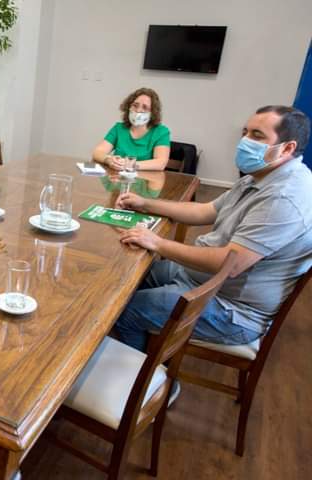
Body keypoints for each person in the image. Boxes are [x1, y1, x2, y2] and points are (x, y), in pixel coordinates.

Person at [113, 105, 312, 352]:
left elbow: (230, 264)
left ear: (287, 148)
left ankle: (141, 372)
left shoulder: (285, 197)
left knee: (123, 311)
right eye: (245, 132)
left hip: (231, 308)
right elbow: (205, 211)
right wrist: (144, 203)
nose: (245, 141)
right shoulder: (259, 176)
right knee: (126, 279)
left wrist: (157, 243)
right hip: (199, 277)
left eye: (257, 135)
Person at [92, 87, 171, 171]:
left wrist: (130, 165)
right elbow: (97, 152)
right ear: (129, 107)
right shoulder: (119, 128)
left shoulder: (161, 132)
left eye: (145, 107)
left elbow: (160, 163)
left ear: (152, 113)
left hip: (145, 178)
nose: (138, 110)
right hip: (116, 177)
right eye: (135, 105)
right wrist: (109, 160)